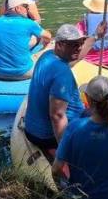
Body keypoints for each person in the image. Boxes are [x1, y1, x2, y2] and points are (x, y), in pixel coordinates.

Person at [23, 24, 99, 153]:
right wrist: (64, 153)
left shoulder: (47, 56)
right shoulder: (62, 74)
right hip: (47, 136)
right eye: (73, 45)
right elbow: (57, 115)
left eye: (80, 43)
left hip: (32, 130)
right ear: (59, 45)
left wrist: (96, 36)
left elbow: (73, 60)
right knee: (102, 116)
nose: (79, 48)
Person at [0, 0, 51, 78]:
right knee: (53, 45)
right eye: (25, 6)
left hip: (0, 73)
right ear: (17, 8)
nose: (27, 9)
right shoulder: (28, 23)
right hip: (24, 73)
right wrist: (46, 44)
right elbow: (48, 36)